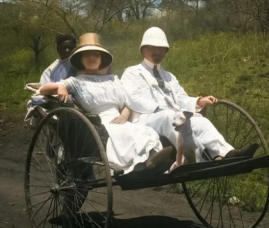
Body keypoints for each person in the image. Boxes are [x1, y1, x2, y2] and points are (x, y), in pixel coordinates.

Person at [39, 33, 173, 175]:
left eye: (95, 55)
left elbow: (127, 103)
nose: (92, 58)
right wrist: (61, 87)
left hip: (119, 119)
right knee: (124, 133)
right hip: (98, 123)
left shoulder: (112, 80)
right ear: (81, 59)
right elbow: (43, 89)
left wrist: (123, 116)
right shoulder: (76, 81)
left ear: (101, 58)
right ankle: (140, 166)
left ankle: (151, 160)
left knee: (142, 131)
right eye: (87, 55)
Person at [121, 27, 258, 162]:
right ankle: (197, 158)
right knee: (169, 116)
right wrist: (159, 108)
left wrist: (199, 102)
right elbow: (132, 99)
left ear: (165, 51)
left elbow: (181, 98)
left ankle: (227, 153)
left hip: (176, 116)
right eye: (152, 48)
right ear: (143, 50)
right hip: (149, 119)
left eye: (161, 49)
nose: (157, 52)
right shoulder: (132, 73)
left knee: (201, 122)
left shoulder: (169, 76)